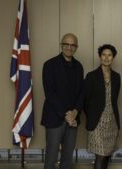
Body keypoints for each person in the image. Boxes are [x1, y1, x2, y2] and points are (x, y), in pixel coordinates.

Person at [41, 33, 84, 169]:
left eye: (72, 45)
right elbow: (50, 93)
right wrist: (66, 114)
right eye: (66, 44)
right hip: (55, 118)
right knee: (51, 159)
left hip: (73, 119)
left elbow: (81, 93)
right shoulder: (49, 64)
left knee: (67, 160)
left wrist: (75, 112)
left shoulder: (79, 67)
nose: (69, 47)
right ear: (61, 45)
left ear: (76, 47)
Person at [84, 44, 121, 169]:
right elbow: (86, 100)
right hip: (97, 123)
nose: (106, 58)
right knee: (100, 155)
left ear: (113, 57)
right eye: (104, 55)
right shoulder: (91, 76)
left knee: (106, 155)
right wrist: (92, 116)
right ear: (100, 57)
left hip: (112, 123)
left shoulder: (117, 77)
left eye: (109, 55)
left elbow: (114, 99)